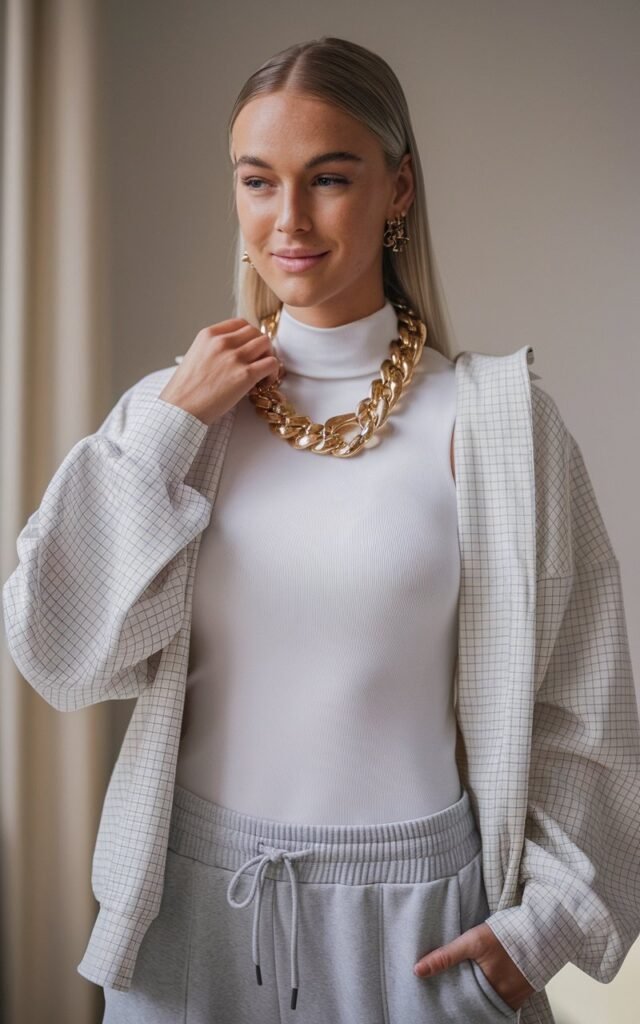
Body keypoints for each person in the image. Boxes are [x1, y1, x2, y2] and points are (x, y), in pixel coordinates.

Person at [3, 36, 640, 1024]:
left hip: (423, 934)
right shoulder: (173, 419)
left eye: (328, 178)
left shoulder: (498, 423)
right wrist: (173, 422)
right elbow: (57, 651)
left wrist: (538, 934)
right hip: (188, 922)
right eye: (257, 181)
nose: (287, 219)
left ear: (398, 190)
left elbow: (584, 705)